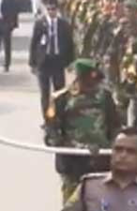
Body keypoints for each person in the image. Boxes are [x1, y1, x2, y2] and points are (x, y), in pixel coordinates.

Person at [45, 58, 121, 203]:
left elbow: (115, 125)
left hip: (101, 162)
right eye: (88, 80)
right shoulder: (61, 99)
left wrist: (112, 146)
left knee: (101, 209)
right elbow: (52, 133)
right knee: (72, 209)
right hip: (73, 163)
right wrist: (75, 147)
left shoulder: (104, 97)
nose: (93, 85)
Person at [30, 0, 76, 114]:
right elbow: (34, 43)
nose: (51, 12)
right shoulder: (40, 24)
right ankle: (47, 119)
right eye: (49, 9)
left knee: (59, 92)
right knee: (45, 93)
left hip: (58, 62)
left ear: (57, 10)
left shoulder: (64, 25)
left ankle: (59, 117)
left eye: (53, 9)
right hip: (44, 62)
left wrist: (70, 62)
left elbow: (70, 44)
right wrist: (33, 63)